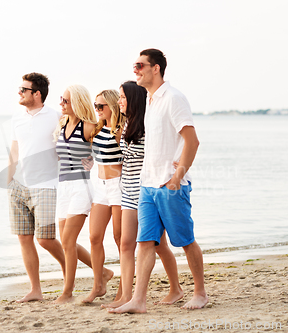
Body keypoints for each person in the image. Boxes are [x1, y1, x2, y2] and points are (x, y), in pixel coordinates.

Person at [109, 49, 208, 313]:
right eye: (134, 65)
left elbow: (192, 140)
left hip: (169, 185)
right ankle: (138, 300)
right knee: (145, 242)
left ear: (156, 68)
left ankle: (200, 293)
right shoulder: (150, 101)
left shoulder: (173, 98)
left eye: (140, 65)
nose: (135, 70)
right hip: (147, 185)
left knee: (185, 241)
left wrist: (177, 177)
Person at [102, 81, 183, 309]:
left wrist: (175, 169)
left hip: (147, 190)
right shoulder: (127, 125)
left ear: (133, 99)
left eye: (122, 97)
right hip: (127, 190)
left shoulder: (149, 126)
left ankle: (176, 288)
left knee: (158, 245)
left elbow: (167, 148)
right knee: (126, 244)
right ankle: (126, 296)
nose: (119, 102)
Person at [7, 72, 66, 303]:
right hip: (19, 186)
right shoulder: (17, 117)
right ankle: (35, 290)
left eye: (24, 89)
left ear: (37, 93)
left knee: (46, 239)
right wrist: (10, 179)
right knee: (24, 238)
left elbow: (67, 147)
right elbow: (15, 149)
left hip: (47, 185)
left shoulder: (57, 116)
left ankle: (72, 276)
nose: (19, 93)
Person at [54, 85, 113, 304]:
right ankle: (104, 273)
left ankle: (67, 292)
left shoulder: (88, 128)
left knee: (69, 241)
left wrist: (89, 163)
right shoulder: (61, 126)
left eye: (66, 100)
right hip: (64, 188)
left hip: (82, 187)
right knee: (65, 242)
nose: (61, 103)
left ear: (77, 103)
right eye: (61, 99)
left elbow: (103, 152)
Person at [82, 90, 125, 303]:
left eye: (101, 106)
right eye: (95, 106)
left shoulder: (120, 130)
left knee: (120, 239)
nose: (97, 110)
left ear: (112, 106)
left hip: (118, 187)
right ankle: (98, 284)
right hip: (99, 186)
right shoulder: (96, 128)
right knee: (94, 237)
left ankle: (124, 290)